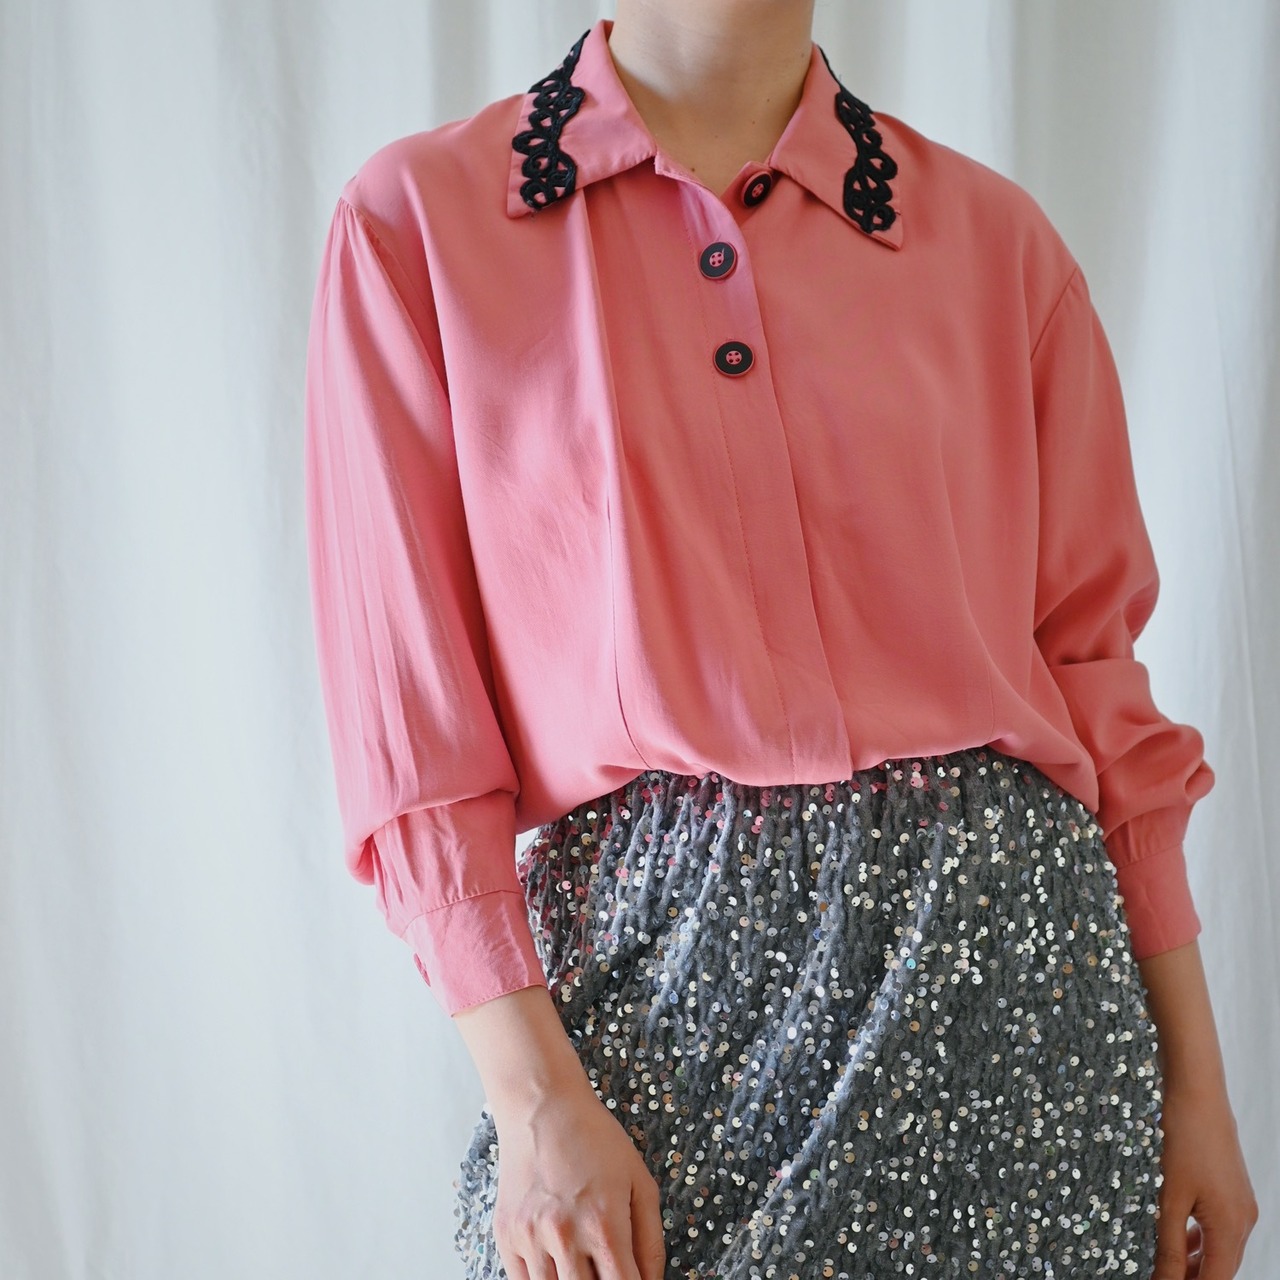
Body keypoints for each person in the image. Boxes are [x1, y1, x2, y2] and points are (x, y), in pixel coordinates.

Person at [302, 3, 1259, 1277]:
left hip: (1024, 1008)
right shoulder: (417, 226)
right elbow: (410, 733)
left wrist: (1194, 1082)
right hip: (658, 1024)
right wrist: (529, 1102)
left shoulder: (993, 242)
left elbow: (1098, 687)